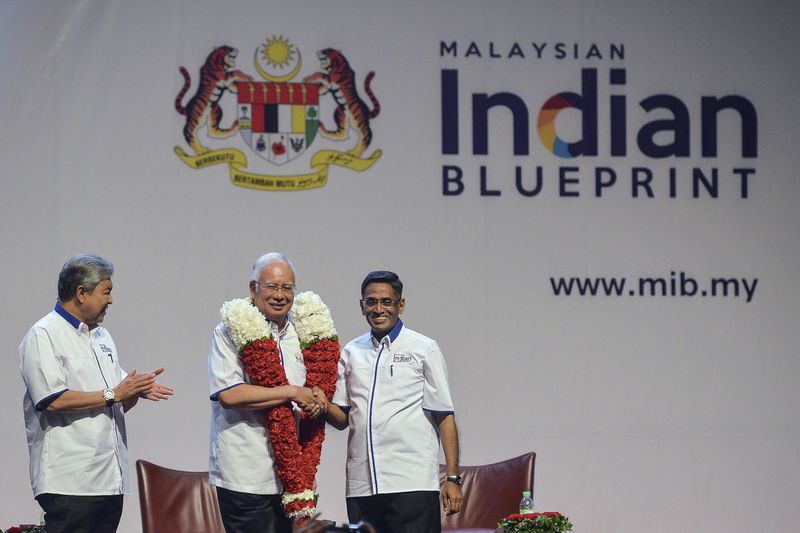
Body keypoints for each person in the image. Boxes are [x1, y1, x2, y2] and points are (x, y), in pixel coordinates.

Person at [19, 253, 173, 533]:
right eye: (107, 291)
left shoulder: (102, 337)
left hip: (109, 479)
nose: (111, 300)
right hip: (70, 481)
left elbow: (113, 401)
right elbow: (51, 400)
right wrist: (114, 394)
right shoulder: (43, 335)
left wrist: (134, 392)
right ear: (81, 293)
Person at [323, 270, 463, 533]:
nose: (378, 309)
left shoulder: (423, 348)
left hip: (412, 482)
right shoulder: (351, 351)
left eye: (386, 302)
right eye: (371, 301)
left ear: (401, 305)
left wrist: (453, 478)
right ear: (361, 305)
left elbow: (444, 415)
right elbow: (342, 418)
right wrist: (317, 401)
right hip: (362, 484)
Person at [208, 252, 325, 533]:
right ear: (253, 289)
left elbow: (312, 393)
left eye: (287, 288)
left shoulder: (303, 333)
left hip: (291, 478)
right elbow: (230, 395)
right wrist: (292, 392)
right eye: (271, 287)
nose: (280, 295)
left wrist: (316, 398)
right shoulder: (228, 331)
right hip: (245, 474)